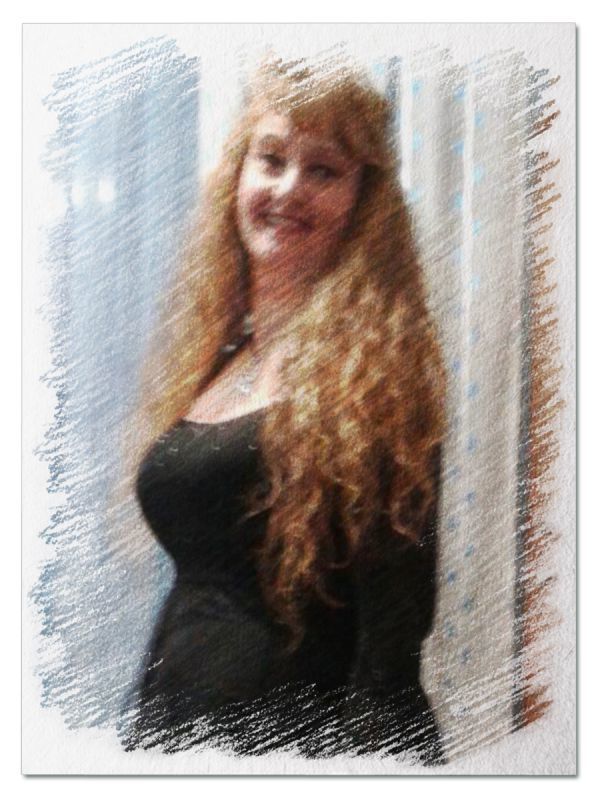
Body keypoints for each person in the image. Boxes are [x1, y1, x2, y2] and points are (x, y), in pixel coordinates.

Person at [123, 58, 446, 764]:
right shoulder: (219, 355)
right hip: (171, 734)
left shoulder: (380, 379)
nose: (289, 188)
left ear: (362, 202)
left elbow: (391, 637)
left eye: (324, 170)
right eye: (271, 159)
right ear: (239, 175)